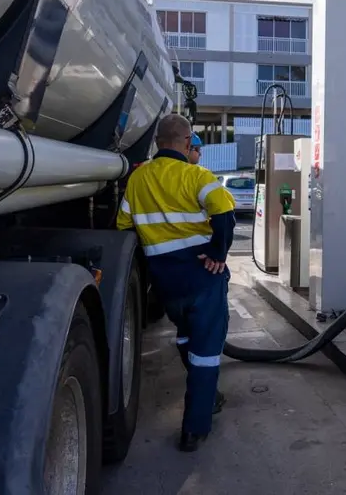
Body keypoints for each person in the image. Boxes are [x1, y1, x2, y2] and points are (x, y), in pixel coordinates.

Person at [116, 114, 236, 452]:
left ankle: (207, 393)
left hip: (166, 283)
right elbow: (225, 215)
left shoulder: (137, 181)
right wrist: (218, 254)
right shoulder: (196, 175)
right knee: (207, 353)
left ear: (157, 143)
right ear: (187, 143)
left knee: (185, 335)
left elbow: (124, 226)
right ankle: (194, 427)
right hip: (203, 278)